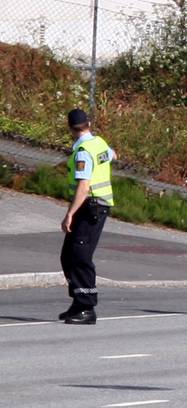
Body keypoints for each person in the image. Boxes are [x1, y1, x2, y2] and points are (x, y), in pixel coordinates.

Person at [58, 109, 116, 325]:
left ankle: (87, 307)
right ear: (88, 123)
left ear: (70, 128)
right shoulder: (98, 143)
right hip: (95, 206)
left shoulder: (82, 151)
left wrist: (69, 214)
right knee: (68, 256)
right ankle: (78, 302)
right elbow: (112, 154)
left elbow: (84, 185)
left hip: (90, 206)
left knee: (81, 256)